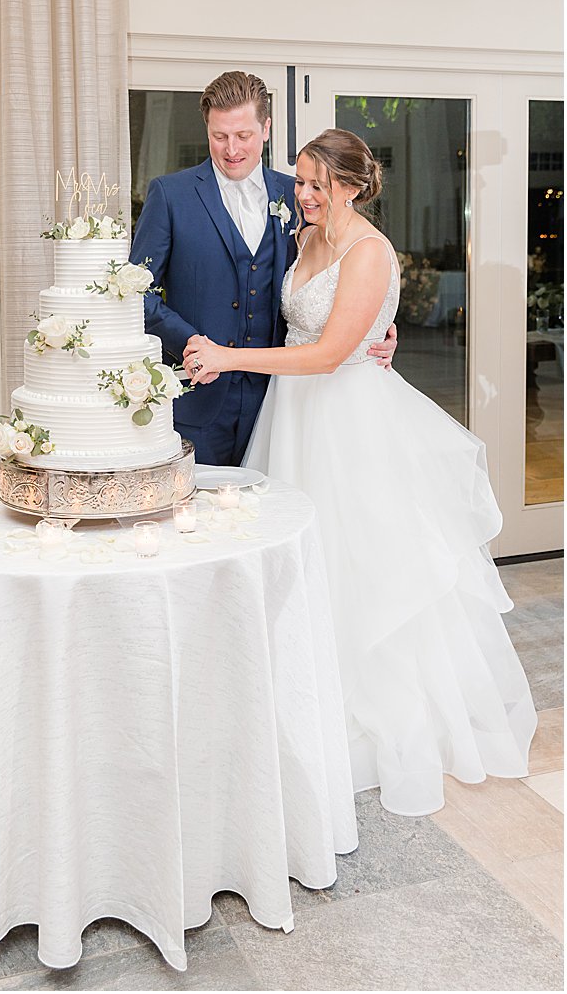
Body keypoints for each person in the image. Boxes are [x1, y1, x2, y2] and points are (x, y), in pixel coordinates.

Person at [183, 128, 537, 817]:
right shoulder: (310, 235)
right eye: (301, 180)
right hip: (295, 418)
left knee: (358, 563)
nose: (302, 193)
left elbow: (328, 353)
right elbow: (302, 328)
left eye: (316, 183)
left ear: (349, 184)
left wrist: (227, 355)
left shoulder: (370, 251)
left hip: (347, 421)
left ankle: (368, 707)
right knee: (302, 560)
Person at [130, 71, 396, 466]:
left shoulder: (300, 194)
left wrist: (374, 331)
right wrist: (194, 346)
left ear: (266, 127)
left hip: (281, 400)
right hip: (198, 400)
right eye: (220, 136)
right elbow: (138, 293)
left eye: (243, 135)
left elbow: (344, 272)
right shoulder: (171, 195)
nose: (231, 149)